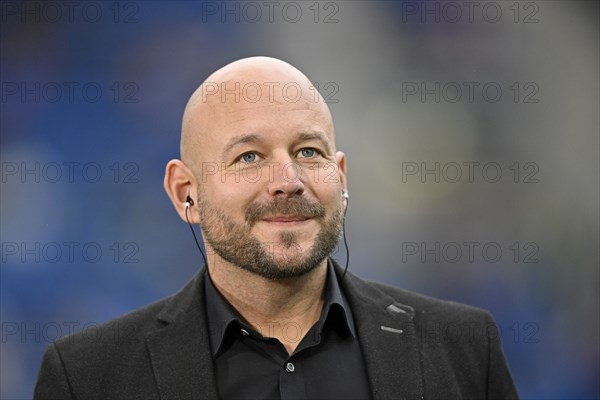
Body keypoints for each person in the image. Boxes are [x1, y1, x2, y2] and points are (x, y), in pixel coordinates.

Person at [34, 57, 519, 399]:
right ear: (186, 192)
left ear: (341, 176)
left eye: (309, 152)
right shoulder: (87, 378)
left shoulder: (465, 348)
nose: (288, 182)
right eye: (249, 157)